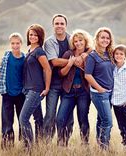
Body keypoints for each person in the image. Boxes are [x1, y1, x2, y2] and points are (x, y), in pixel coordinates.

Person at [43, 14, 84, 142]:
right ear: (53, 25)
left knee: (68, 116)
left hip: (69, 84)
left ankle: (63, 142)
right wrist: (73, 61)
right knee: (50, 115)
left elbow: (86, 48)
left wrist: (84, 55)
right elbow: (54, 62)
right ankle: (46, 142)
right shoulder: (49, 42)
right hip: (54, 84)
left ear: (66, 25)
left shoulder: (73, 39)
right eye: (57, 23)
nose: (59, 26)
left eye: (62, 23)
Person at [56, 29, 92, 146]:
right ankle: (62, 144)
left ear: (85, 41)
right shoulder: (68, 54)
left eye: (80, 40)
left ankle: (85, 145)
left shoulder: (90, 54)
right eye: (75, 41)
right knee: (60, 119)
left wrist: (85, 56)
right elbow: (61, 73)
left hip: (83, 92)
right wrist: (69, 64)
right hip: (68, 92)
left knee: (82, 119)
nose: (78, 43)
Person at [19, 24, 51, 149]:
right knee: (38, 119)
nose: (32, 37)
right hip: (27, 89)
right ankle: (40, 145)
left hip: (36, 90)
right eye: (31, 34)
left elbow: (47, 69)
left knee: (23, 119)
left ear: (40, 37)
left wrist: (47, 88)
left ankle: (29, 148)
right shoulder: (29, 51)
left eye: (35, 35)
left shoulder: (39, 51)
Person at [84, 27, 115, 150]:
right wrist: (100, 88)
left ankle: (99, 145)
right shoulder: (92, 56)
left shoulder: (110, 54)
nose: (105, 40)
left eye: (107, 38)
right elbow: (87, 75)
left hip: (110, 92)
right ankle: (104, 148)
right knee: (108, 122)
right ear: (97, 39)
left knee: (101, 119)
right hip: (99, 93)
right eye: (102, 37)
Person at [0, 32, 25, 149]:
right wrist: (2, 88)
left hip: (21, 94)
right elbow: (1, 71)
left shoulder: (25, 58)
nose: (15, 46)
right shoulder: (6, 56)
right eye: (13, 43)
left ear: (21, 44)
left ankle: (24, 144)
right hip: (7, 94)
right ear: (10, 44)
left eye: (17, 43)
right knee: (7, 121)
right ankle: (7, 146)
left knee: (22, 120)